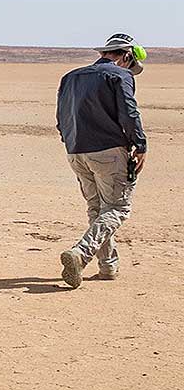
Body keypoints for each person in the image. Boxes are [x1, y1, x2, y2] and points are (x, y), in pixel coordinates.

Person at [56, 33, 148, 288]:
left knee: (97, 210)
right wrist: (140, 145)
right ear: (127, 56)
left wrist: (71, 142)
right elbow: (129, 112)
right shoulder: (120, 76)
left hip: (76, 151)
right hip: (107, 151)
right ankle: (81, 253)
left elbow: (60, 117)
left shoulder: (71, 77)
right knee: (118, 208)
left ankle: (108, 266)